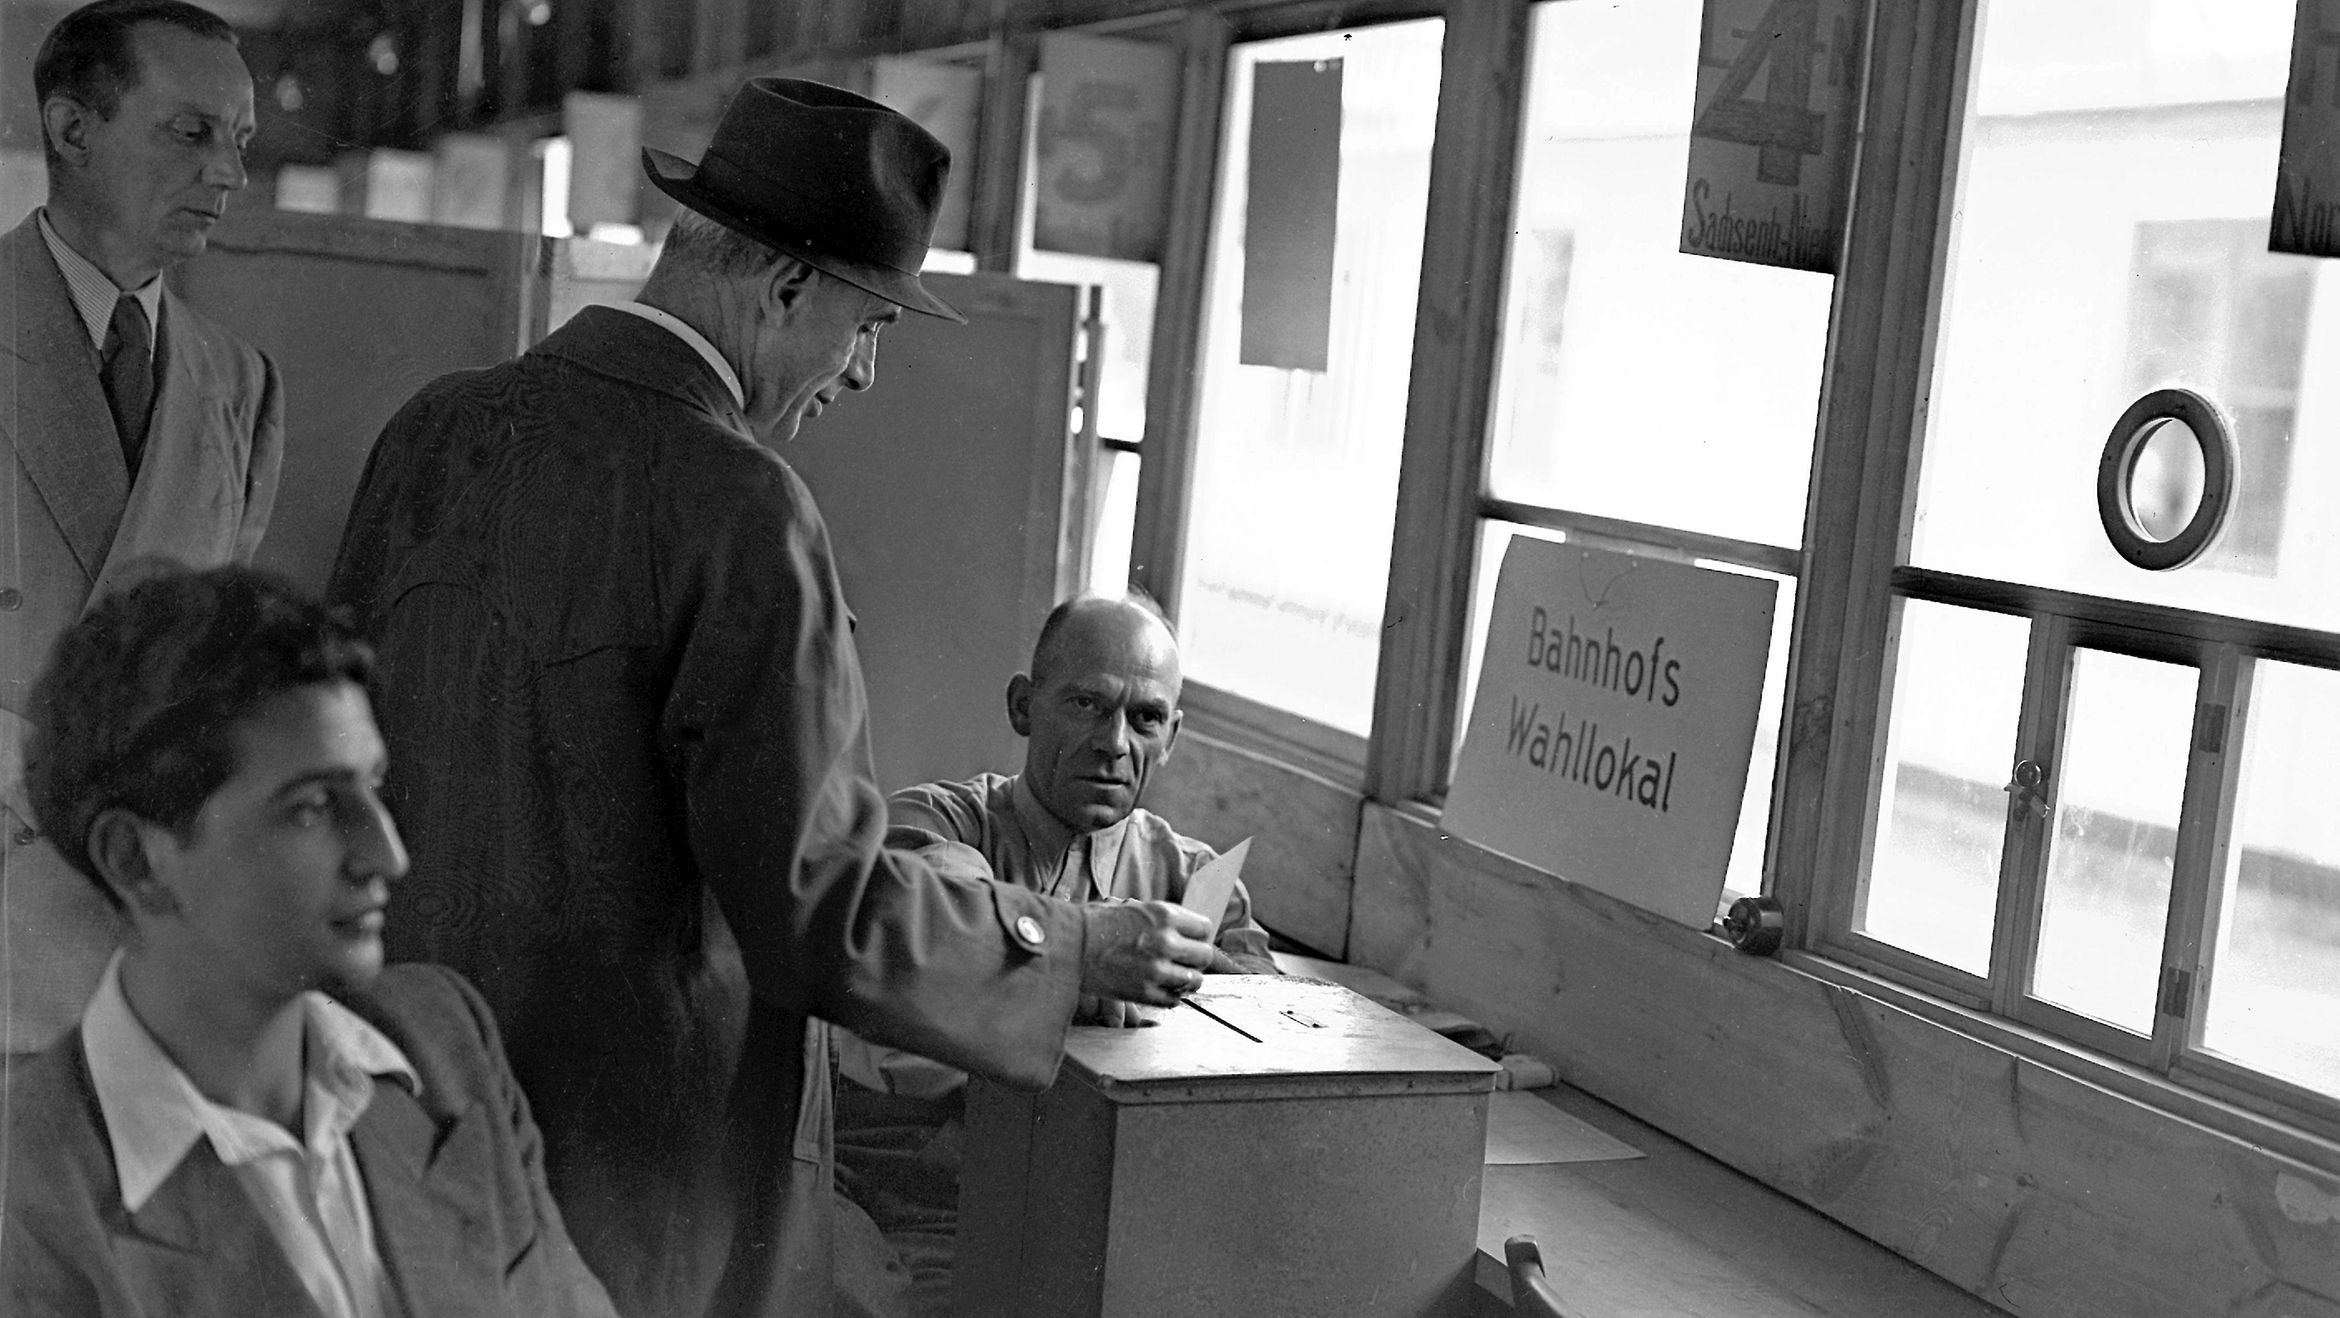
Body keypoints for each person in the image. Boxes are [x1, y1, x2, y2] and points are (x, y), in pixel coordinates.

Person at [324, 78, 1219, 1318]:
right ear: (788, 285)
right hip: (629, 1171)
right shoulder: (740, 508)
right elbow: (816, 904)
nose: (859, 375)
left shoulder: (437, 428)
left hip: (397, 1100)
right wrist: (1067, 945)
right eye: (870, 329)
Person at [1, 565, 617, 1318]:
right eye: (313, 807)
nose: (387, 855)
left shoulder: (445, 1038)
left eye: (375, 789)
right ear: (135, 860)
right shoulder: (28, 1206)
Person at [831, 593, 1281, 1316]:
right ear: (1021, 707)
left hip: (1098, 1214)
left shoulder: (1198, 883)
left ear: (1171, 737)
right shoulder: (935, 824)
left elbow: (1265, 1039)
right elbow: (946, 913)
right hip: (915, 1201)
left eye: (1146, 718)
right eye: (1085, 704)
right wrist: (1094, 951)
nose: (1114, 743)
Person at [2, 0, 284, 1052]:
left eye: (242, 142)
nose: (229, 174)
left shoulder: (238, 385)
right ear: (72, 132)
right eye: (191, 132)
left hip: (156, 939)